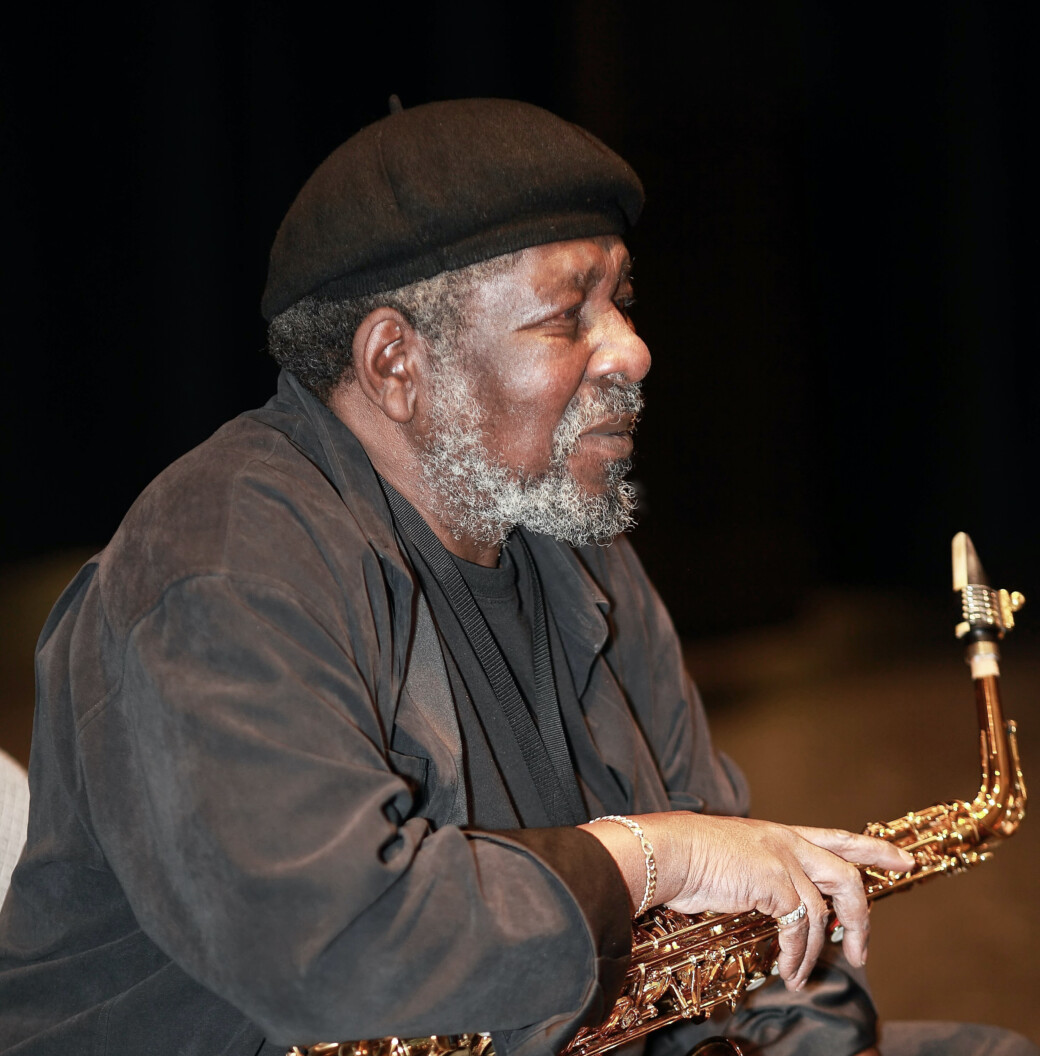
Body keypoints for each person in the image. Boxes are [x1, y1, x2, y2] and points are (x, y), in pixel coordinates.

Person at [0, 99, 1033, 1056]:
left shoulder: (577, 541)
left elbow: (735, 903)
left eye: (622, 302)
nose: (632, 350)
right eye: (567, 315)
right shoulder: (218, 563)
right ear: (395, 363)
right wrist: (650, 858)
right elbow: (346, 949)